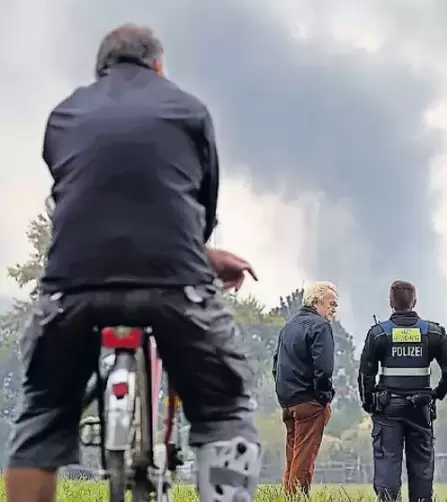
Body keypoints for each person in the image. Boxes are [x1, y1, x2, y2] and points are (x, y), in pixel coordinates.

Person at [3, 24, 262, 502]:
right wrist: (201, 255)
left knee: (40, 414)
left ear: (99, 70)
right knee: (225, 408)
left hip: (73, 286)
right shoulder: (189, 109)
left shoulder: (65, 114)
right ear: (158, 66)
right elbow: (200, 212)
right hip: (173, 281)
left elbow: (78, 194)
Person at [359, 280, 447, 502]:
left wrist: (369, 403)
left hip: (387, 409)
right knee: (422, 465)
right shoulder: (433, 332)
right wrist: (436, 394)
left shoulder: (378, 333)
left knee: (387, 462)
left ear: (390, 303)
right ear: (414, 301)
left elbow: (366, 373)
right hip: (420, 408)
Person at [273, 281, 338, 496]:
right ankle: (298, 497)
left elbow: (276, 364)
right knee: (305, 457)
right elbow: (324, 367)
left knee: (293, 453)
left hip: (288, 401)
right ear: (317, 301)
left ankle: (289, 495)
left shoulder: (288, 326)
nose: (334, 309)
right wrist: (324, 397)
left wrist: (283, 395)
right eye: (331, 303)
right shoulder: (321, 327)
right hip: (309, 401)